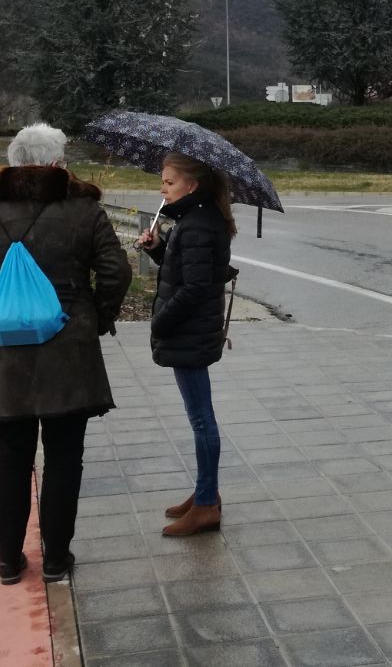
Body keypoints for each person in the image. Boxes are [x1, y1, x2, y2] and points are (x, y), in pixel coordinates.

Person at [0, 122, 132, 585]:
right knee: (65, 458)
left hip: (6, 353)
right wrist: (98, 315)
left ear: (13, 160)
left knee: (9, 457)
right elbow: (116, 271)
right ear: (54, 163)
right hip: (69, 349)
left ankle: (8, 560)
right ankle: (56, 559)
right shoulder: (84, 209)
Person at [137, 152, 236, 537]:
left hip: (189, 332)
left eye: (169, 182)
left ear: (192, 186)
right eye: (163, 181)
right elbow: (188, 271)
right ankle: (204, 492)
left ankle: (208, 503)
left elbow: (195, 287)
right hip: (193, 331)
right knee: (200, 416)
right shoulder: (197, 220)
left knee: (201, 419)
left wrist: (160, 322)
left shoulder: (196, 225)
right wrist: (158, 249)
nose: (162, 188)